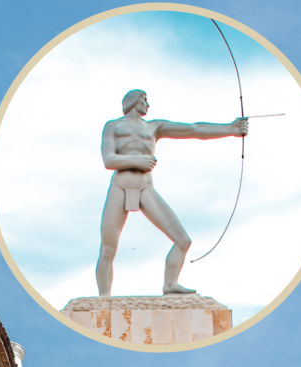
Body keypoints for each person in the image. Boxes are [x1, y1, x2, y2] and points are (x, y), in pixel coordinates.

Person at [96, 89, 248, 296]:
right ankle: (104, 298)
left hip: (145, 187)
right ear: (133, 101)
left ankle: (170, 284)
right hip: (120, 185)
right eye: (144, 100)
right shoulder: (112, 126)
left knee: (183, 240)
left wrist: (230, 129)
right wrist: (136, 161)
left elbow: (194, 130)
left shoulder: (154, 127)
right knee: (107, 249)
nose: (147, 105)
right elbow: (109, 160)